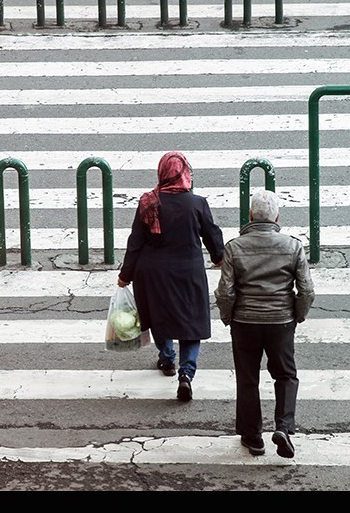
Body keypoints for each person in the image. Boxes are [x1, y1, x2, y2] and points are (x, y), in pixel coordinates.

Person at [214, 189, 315, 458]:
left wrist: (228, 317)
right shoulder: (293, 246)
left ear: (250, 215)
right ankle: (283, 426)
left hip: (244, 321)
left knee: (248, 378)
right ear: (277, 217)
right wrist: (297, 315)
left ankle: (253, 437)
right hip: (280, 321)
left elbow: (225, 292)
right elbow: (306, 290)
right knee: (286, 375)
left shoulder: (234, 247)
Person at [118, 151, 224, 402]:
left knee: (159, 316)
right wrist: (219, 258)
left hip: (152, 273)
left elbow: (135, 242)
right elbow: (212, 236)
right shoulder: (197, 204)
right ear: (185, 174)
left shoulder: (148, 202)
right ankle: (186, 373)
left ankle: (167, 359)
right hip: (189, 273)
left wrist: (125, 275)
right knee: (191, 323)